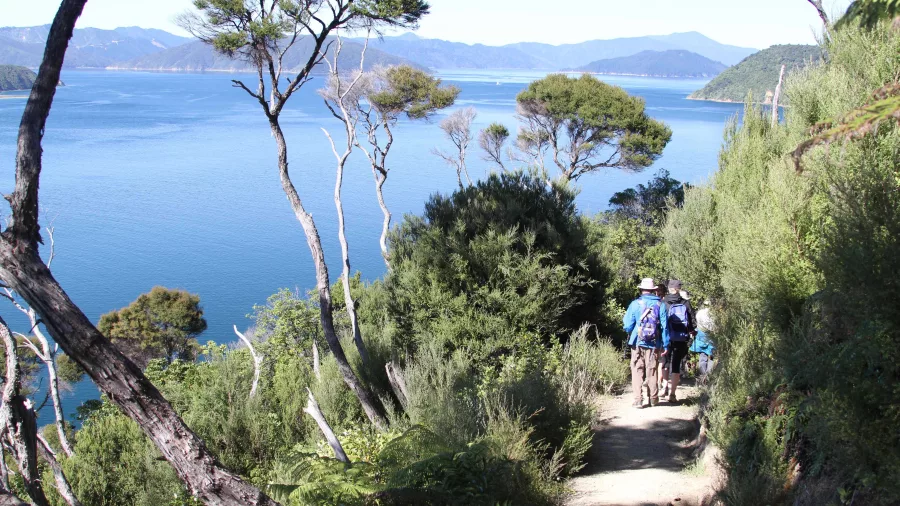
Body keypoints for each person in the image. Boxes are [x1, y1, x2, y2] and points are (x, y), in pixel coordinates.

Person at [623, 278, 669, 408]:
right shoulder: (660, 305)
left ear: (641, 289)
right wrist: (665, 344)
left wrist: (632, 329)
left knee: (637, 369)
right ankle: (653, 398)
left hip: (637, 342)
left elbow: (627, 326)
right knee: (652, 370)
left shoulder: (635, 304)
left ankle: (638, 399)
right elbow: (664, 327)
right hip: (654, 343)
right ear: (653, 290)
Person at [661, 280, 694, 402]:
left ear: (669, 289)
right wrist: (691, 332)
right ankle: (673, 394)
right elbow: (692, 323)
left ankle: (664, 386)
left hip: (666, 337)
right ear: (678, 289)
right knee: (676, 364)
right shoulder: (685, 303)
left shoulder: (663, 302)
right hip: (680, 337)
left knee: (664, 362)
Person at [691, 299, 716, 383]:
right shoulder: (713, 314)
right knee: (711, 356)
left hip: (701, 335)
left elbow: (697, 323)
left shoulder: (699, 313)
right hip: (711, 335)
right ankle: (708, 376)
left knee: (703, 355)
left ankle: (703, 375)